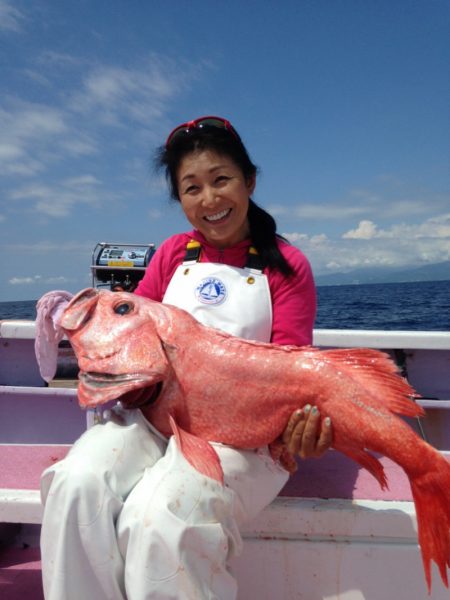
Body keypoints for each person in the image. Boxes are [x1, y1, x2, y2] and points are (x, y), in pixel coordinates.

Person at [40, 116, 332, 600]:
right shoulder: (174, 254)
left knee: (160, 517)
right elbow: (137, 333)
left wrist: (304, 427)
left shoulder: (286, 264)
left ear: (249, 181)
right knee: (74, 486)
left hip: (245, 439)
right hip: (157, 417)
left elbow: (291, 367)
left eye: (221, 180)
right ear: (180, 199)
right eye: (192, 188)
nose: (210, 200)